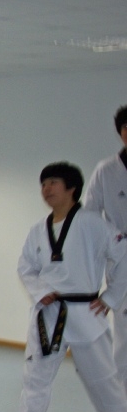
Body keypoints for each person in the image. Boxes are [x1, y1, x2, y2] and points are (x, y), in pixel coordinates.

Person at [0, 162, 127, 412]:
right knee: (35, 381)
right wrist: (40, 290)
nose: (46, 189)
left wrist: (111, 296)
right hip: (48, 314)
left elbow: (123, 256)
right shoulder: (37, 230)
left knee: (104, 382)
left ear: (72, 188)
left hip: (86, 311)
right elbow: (26, 267)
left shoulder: (93, 224)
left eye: (53, 182)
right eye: (43, 184)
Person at [82, 105, 127, 391]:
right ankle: (123, 401)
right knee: (124, 335)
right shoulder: (106, 170)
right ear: (121, 133)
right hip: (122, 257)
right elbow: (90, 215)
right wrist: (111, 241)